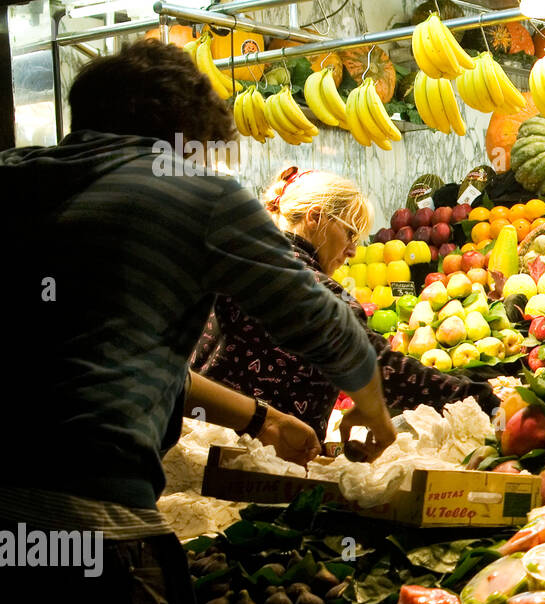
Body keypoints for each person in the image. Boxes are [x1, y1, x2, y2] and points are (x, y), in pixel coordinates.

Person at [0, 40, 396, 604]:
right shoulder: (193, 192)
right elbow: (326, 327)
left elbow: (114, 347)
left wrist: (260, 418)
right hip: (93, 533)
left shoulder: (18, 180)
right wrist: (372, 410)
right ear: (187, 131)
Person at [191, 166, 490, 440]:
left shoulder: (227, 265)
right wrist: (478, 397)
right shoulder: (318, 292)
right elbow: (383, 371)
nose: (352, 251)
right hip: (255, 470)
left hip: (188, 448)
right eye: (349, 233)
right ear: (315, 216)